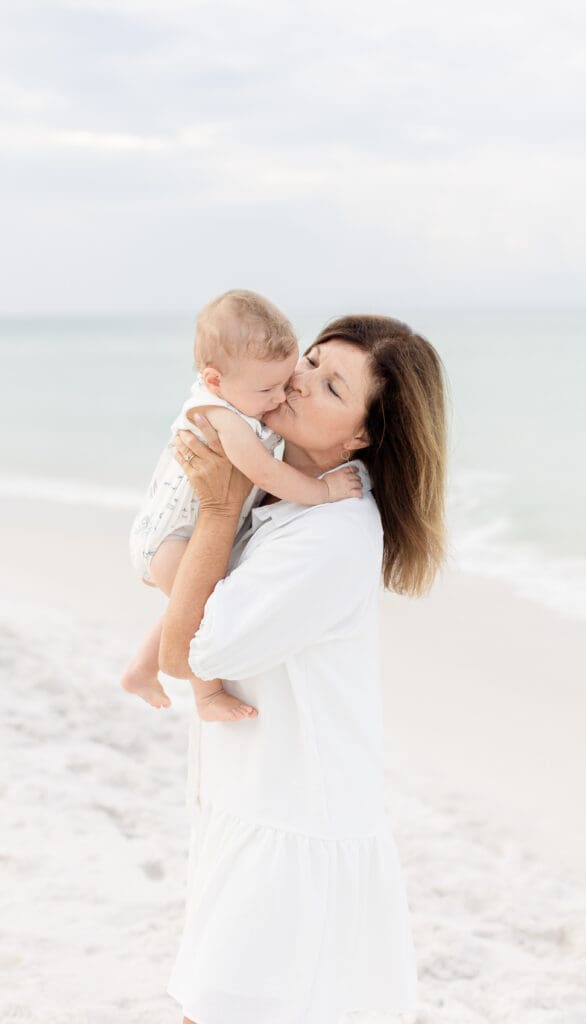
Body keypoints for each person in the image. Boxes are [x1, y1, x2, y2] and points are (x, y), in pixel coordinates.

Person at [159, 314, 449, 1024]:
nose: (298, 379)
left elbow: (194, 652)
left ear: (361, 435)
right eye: (309, 360)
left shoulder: (331, 534)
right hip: (256, 806)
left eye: (330, 384)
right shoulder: (282, 495)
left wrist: (219, 506)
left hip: (295, 832)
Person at [122, 289, 361, 722]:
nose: (281, 395)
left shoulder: (239, 394)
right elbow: (265, 473)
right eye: (269, 387)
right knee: (201, 610)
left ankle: (140, 669)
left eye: (287, 378)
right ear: (215, 380)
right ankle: (207, 696)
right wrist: (324, 491)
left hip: (182, 533)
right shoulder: (222, 416)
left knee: (185, 605)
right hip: (172, 537)